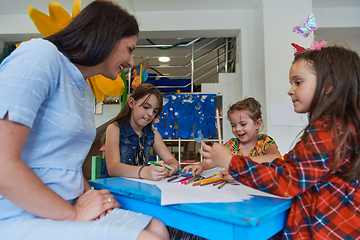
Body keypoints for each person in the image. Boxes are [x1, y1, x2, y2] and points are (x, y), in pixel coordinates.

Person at [0, 1, 169, 239]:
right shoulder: (40, 54)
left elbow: (67, 163)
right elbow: (3, 165)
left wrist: (89, 198)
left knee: (157, 227)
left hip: (68, 202)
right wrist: (74, 213)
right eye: (130, 49)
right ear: (108, 37)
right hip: (22, 211)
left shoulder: (82, 89)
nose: (131, 62)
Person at [199, 45, 360, 239]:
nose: (290, 91)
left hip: (325, 230)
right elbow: (289, 167)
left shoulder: (328, 130)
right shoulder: (340, 126)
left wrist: (231, 162)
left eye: (298, 82)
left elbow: (286, 181)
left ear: (329, 85)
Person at [183, 97, 281, 181]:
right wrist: (201, 166)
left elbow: (275, 158)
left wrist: (237, 165)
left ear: (257, 124)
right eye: (233, 125)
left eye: (243, 124)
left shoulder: (264, 141)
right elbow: (214, 160)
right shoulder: (232, 144)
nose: (238, 129)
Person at [100, 83, 179, 180]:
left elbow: (172, 160)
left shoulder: (152, 133)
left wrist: (172, 167)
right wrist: (145, 171)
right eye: (146, 107)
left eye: (155, 111)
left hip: (138, 187)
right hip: (113, 189)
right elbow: (113, 168)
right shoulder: (114, 129)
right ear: (131, 103)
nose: (150, 114)